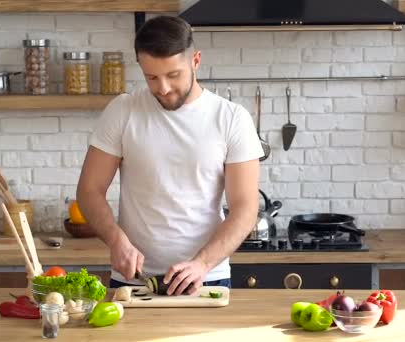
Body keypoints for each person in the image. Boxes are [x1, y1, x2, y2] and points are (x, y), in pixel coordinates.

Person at [76, 15, 264, 295]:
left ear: (196, 61)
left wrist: (201, 264)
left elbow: (246, 208)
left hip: (205, 279)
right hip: (133, 280)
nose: (162, 88)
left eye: (173, 75)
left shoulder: (231, 119)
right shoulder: (123, 110)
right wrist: (117, 241)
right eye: (151, 77)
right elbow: (89, 190)